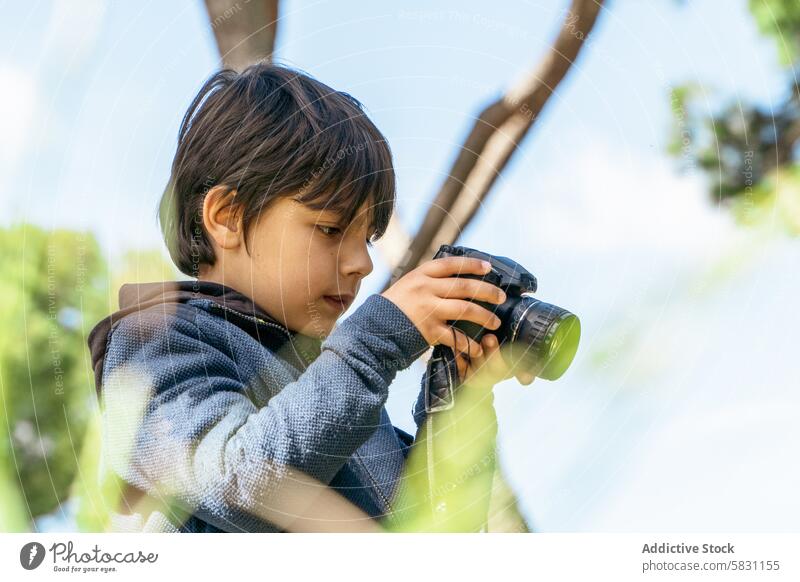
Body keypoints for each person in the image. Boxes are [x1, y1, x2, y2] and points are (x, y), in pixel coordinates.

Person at [87, 62, 532, 533]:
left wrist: (460, 402)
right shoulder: (157, 343)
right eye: (331, 229)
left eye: (369, 238)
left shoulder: (339, 388)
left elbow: (437, 529)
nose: (362, 263)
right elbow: (236, 482)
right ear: (226, 217)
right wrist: (376, 341)